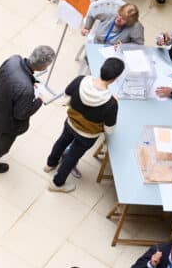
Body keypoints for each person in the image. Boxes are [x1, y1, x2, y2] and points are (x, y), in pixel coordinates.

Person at [44, 57, 123, 193]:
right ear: (115, 78)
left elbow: (67, 95)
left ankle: (50, 164)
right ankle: (57, 184)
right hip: (87, 135)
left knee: (62, 141)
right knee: (72, 157)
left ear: (102, 68)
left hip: (71, 123)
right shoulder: (111, 103)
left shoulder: (80, 80)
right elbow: (109, 130)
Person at [0, 46, 55, 173]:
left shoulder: (13, 60)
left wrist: (30, 80)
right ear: (42, 67)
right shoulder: (27, 90)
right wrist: (39, 100)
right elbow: (21, 114)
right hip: (9, 122)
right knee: (3, 144)